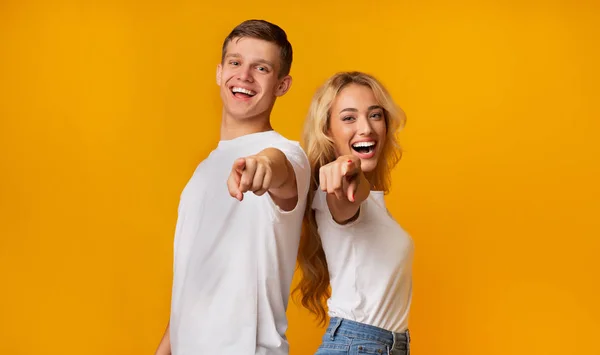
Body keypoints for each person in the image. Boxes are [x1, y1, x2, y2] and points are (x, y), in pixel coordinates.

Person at [155, 19, 310, 355]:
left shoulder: (288, 154)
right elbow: (192, 280)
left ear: (282, 85)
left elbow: (277, 170)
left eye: (262, 68)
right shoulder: (203, 172)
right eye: (236, 63)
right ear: (219, 72)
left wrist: (262, 166)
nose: (244, 76)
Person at [295, 71, 414, 355]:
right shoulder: (335, 193)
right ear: (327, 131)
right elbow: (349, 193)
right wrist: (346, 167)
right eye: (349, 118)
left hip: (380, 346)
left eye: (375, 115)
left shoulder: (374, 203)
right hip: (359, 346)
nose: (366, 129)